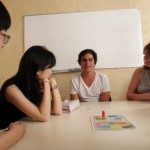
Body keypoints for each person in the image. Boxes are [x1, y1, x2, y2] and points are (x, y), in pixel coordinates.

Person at [0, 45, 62, 130]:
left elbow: (57, 111)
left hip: (25, 129)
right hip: (6, 133)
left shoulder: (34, 84)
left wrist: (53, 82)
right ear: (38, 70)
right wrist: (46, 82)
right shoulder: (12, 89)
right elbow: (44, 117)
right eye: (50, 67)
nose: (51, 71)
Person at [0, 1, 26, 149]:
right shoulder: (12, 87)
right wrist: (16, 133)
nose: (3, 43)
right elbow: (42, 116)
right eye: (3, 34)